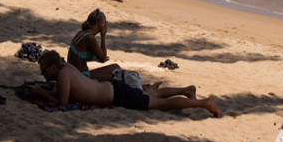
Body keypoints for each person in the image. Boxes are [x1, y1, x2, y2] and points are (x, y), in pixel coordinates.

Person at [31, 52, 219, 116]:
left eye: (44, 71)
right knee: (153, 95)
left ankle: (204, 103)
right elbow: (66, 93)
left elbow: (62, 103)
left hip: (118, 95)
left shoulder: (63, 75)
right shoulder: (67, 67)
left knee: (161, 104)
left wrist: (41, 93)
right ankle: (186, 90)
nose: (43, 75)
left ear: (53, 66)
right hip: (114, 89)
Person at [67, 9, 119, 77]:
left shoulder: (81, 33)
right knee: (116, 69)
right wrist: (103, 36)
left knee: (115, 68)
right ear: (100, 24)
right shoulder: (90, 37)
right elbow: (103, 59)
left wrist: (94, 58)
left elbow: (79, 56)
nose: (106, 25)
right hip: (81, 76)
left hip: (73, 73)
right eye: (105, 22)